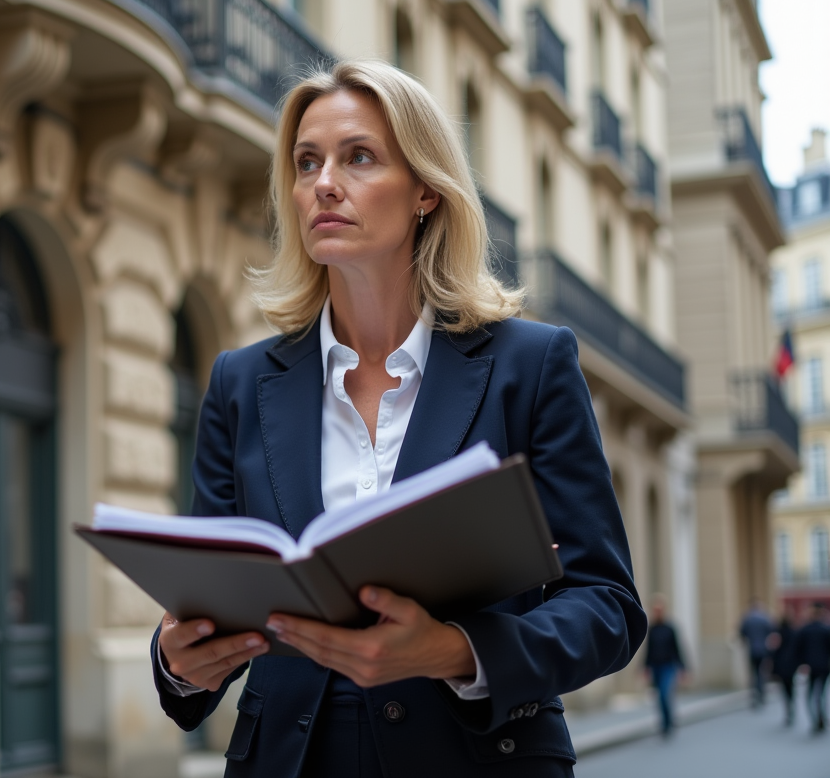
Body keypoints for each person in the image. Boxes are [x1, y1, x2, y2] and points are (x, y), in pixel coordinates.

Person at [150, 59, 647, 777]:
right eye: (306, 162)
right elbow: (212, 603)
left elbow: (606, 606)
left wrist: (454, 649)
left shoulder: (529, 366)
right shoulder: (240, 382)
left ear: (424, 192)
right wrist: (177, 660)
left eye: (358, 158)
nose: (323, 182)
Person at [643, 596, 686, 736]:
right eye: (655, 610)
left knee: (664, 693)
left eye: (659, 610)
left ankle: (668, 723)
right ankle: (665, 721)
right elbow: (648, 650)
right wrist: (645, 667)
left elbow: (677, 648)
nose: (657, 612)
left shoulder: (670, 628)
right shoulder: (651, 629)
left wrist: (683, 668)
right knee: (659, 696)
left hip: (668, 666)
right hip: (656, 666)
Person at [796, 603, 830, 733]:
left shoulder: (805, 630)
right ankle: (821, 716)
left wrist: (801, 664)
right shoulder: (825, 629)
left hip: (810, 667)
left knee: (810, 695)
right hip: (824, 667)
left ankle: (815, 718)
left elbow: (798, 650)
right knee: (821, 694)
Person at [740, 598, 772, 709]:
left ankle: (755, 695)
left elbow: (742, 633)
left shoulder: (747, 618)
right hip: (763, 649)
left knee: (753, 673)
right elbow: (771, 632)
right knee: (761, 673)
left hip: (752, 649)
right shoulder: (765, 618)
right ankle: (761, 694)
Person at [769, 608, 799, 726]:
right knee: (790, 685)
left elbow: (773, 648)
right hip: (791, 663)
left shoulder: (778, 632)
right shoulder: (794, 632)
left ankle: (788, 706)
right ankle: (791, 704)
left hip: (781, 663)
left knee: (785, 687)